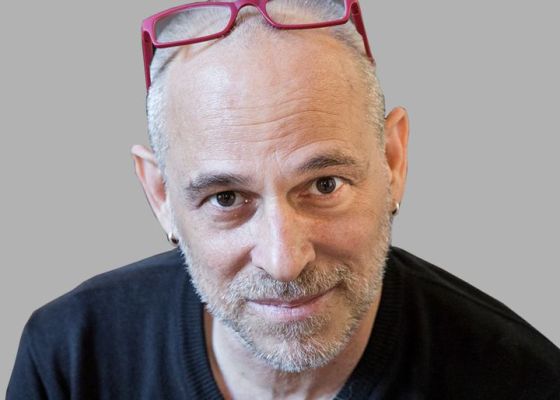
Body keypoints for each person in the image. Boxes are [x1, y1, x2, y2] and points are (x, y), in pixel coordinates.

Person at [7, 0, 560, 399]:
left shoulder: (523, 381)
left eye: (324, 186)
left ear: (393, 161)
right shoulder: (69, 360)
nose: (284, 259)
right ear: (160, 195)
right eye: (227, 197)